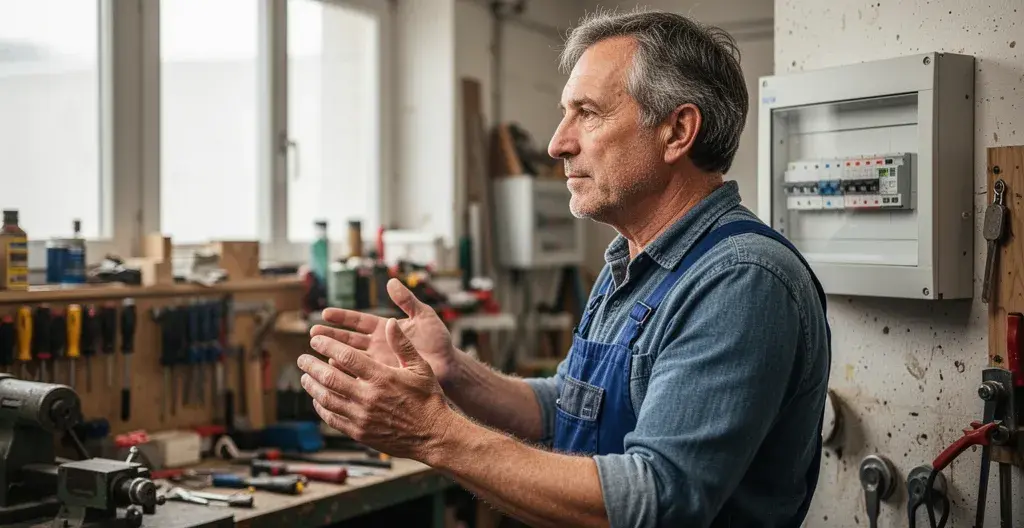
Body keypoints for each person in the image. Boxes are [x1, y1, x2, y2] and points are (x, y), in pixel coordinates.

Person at [296, 8, 831, 528]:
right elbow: (568, 410)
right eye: (564, 113)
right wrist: (454, 372)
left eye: (588, 113)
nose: (557, 143)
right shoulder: (631, 261)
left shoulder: (742, 280)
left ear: (677, 131)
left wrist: (432, 432)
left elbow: (659, 501)